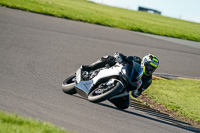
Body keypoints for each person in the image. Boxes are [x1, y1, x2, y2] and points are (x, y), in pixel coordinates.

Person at [82, 53, 159, 109]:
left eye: (153, 68)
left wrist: (137, 92)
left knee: (125, 105)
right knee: (109, 58)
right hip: (121, 72)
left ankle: (109, 94)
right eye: (149, 66)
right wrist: (120, 57)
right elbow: (126, 58)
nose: (150, 69)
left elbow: (138, 92)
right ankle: (90, 67)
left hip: (126, 85)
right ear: (144, 62)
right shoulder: (137, 60)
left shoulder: (148, 80)